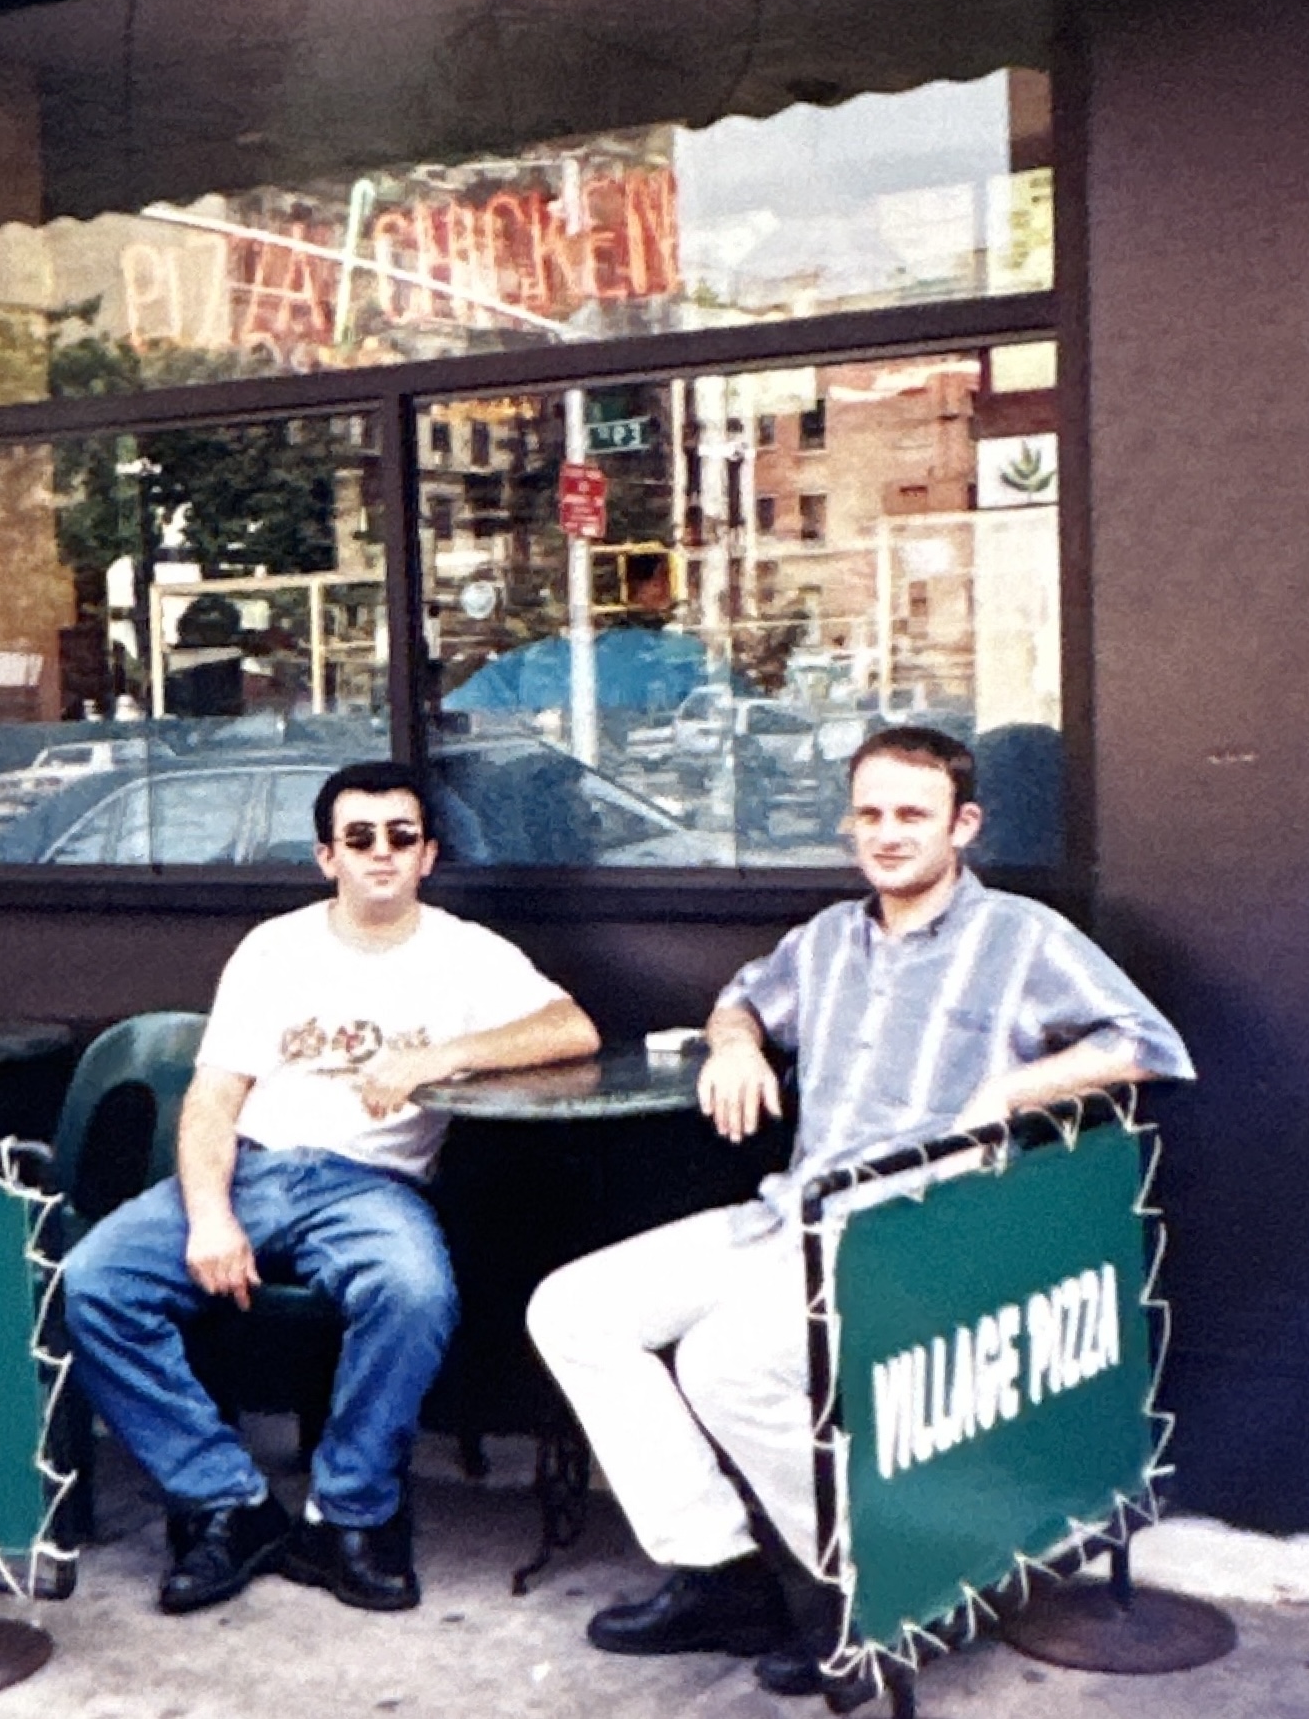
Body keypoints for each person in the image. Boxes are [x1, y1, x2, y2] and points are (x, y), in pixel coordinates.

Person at [526, 725, 1191, 1699]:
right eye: (869, 814)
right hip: (791, 1214)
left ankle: (885, 1588)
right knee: (571, 1306)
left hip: (914, 1234)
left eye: (911, 814)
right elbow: (742, 999)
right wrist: (736, 1045)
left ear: (961, 824)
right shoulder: (826, 938)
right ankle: (723, 1573)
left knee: (725, 1361)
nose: (886, 834)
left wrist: (1011, 1089)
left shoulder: (1018, 935)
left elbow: (1145, 1042)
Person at [62, 761, 599, 1617]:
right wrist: (209, 1216)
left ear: (427, 856)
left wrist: (439, 1056)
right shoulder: (275, 948)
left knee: (414, 1292)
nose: (380, 855)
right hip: (253, 1163)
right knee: (93, 1282)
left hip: (371, 1186)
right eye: (359, 839)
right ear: (326, 858)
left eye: (400, 837)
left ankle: (348, 1515)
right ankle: (224, 1503)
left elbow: (570, 1026)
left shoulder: (465, 952)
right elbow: (211, 1099)